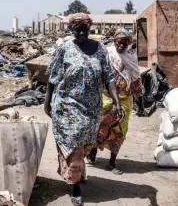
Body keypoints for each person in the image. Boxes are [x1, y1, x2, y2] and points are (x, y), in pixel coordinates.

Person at [44, 13, 122, 206]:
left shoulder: (100, 49)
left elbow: (109, 77)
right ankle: (75, 185)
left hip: (91, 107)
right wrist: (47, 102)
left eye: (84, 29)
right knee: (75, 142)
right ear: (71, 30)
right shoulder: (65, 48)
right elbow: (52, 78)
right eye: (76, 29)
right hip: (67, 103)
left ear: (90, 29)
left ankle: (77, 171)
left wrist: (116, 101)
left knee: (86, 143)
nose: (80, 32)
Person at [87, 28, 142, 175]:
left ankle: (112, 162)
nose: (121, 46)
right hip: (105, 97)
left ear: (128, 43)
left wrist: (140, 100)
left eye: (124, 43)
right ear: (114, 42)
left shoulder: (131, 58)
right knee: (98, 125)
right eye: (119, 42)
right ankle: (92, 150)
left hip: (125, 99)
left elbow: (136, 79)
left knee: (120, 130)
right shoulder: (108, 54)